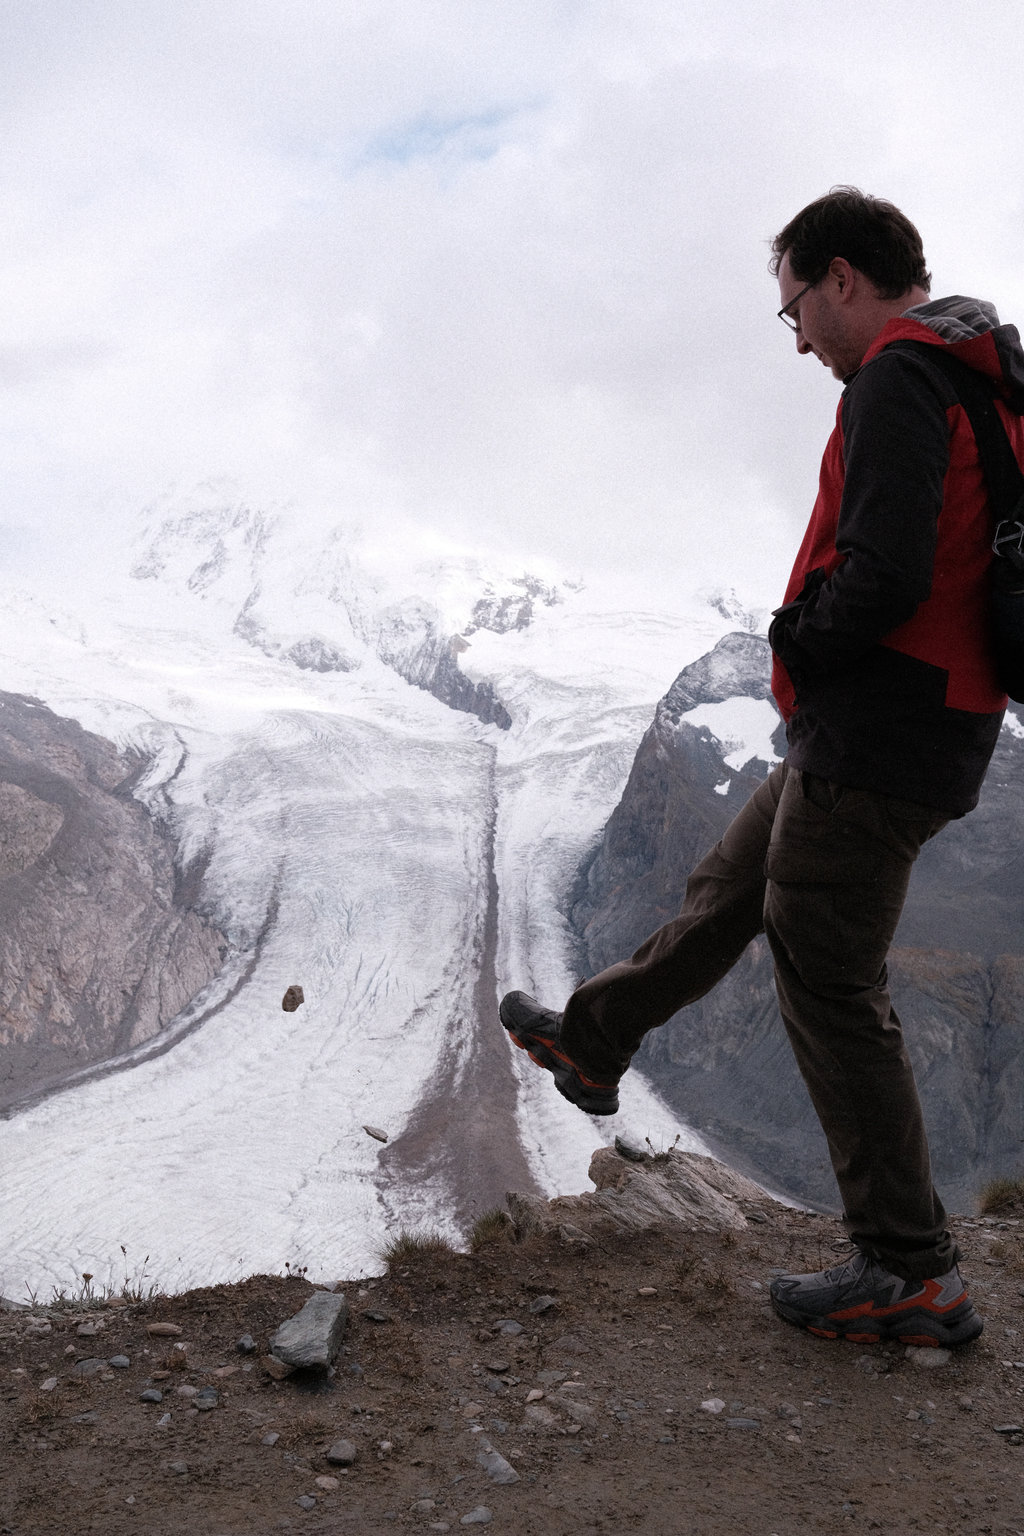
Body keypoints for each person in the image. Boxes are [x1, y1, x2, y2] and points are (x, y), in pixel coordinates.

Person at [500, 187, 1024, 1349]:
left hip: (884, 719)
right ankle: (594, 1041)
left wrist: (795, 639)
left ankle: (909, 1269)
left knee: (828, 975)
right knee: (734, 883)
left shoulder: (898, 374)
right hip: (923, 717)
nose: (794, 339)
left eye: (793, 308)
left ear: (842, 276)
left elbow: (882, 573)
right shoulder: (981, 370)